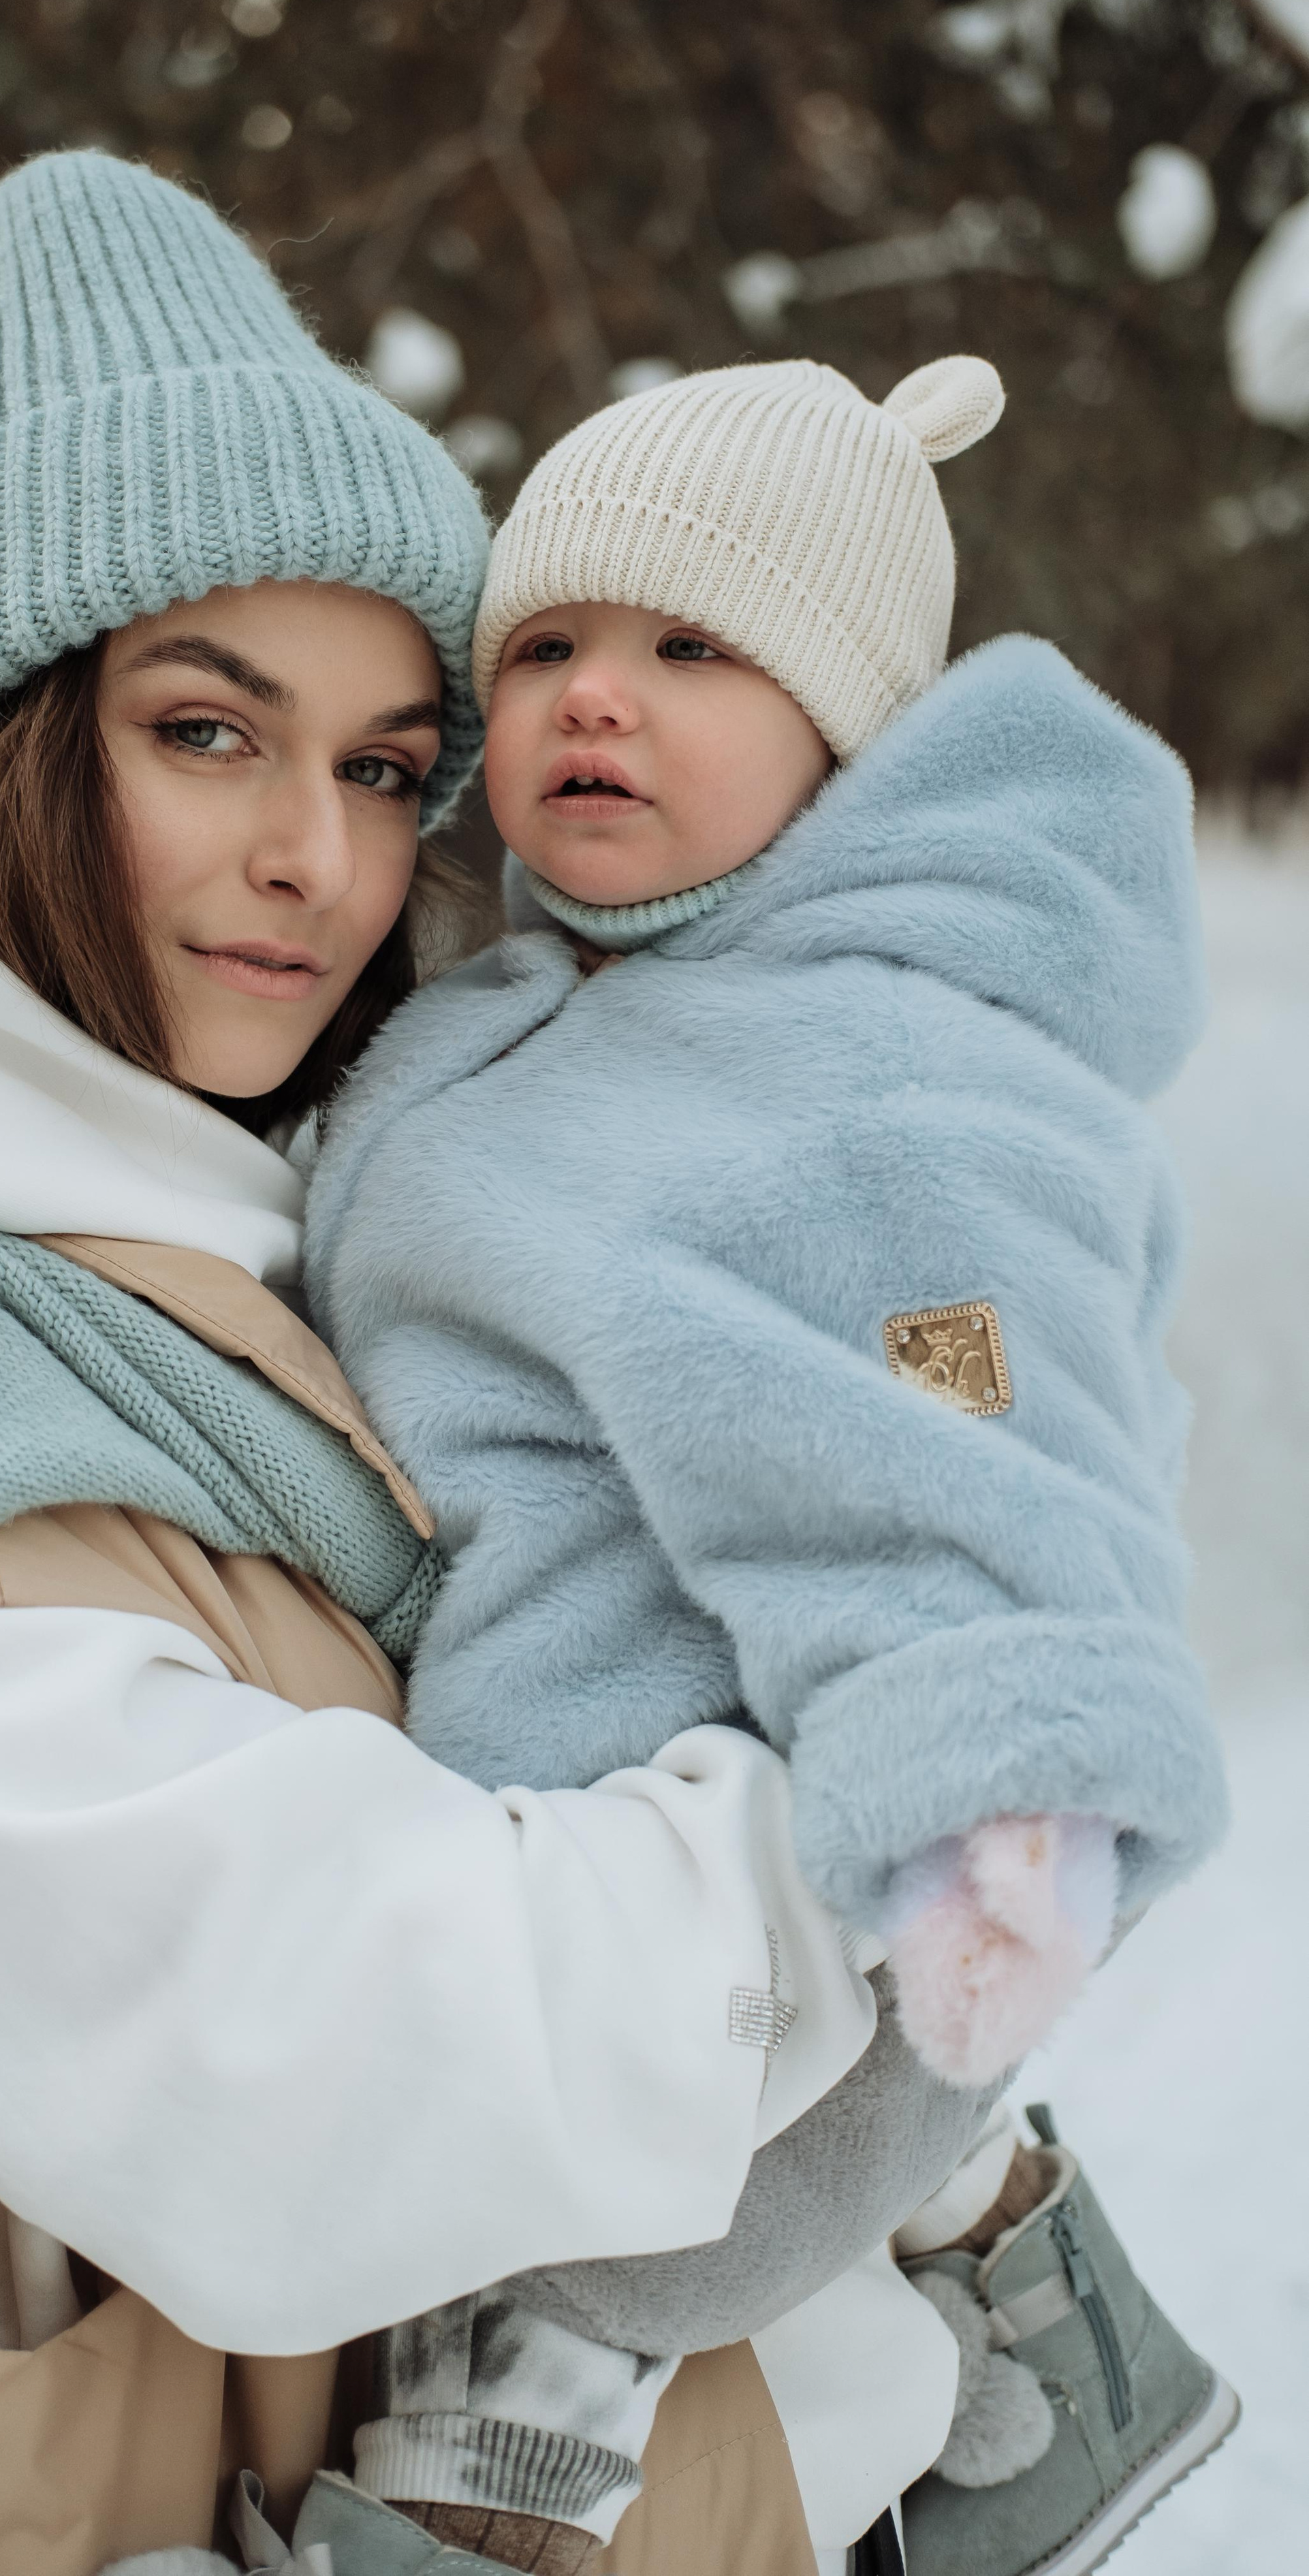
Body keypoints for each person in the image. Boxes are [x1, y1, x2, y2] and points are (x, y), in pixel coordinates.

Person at [0, 153, 945, 2576]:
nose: (325, 854)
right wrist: (922, 1774)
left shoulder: (205, 1261)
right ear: (5, 730)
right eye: (212, 732)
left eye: (393, 766)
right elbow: (338, 2066)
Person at [304, 357, 1240, 2573]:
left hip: (758, 1884)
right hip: (553, 1791)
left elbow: (971, 1434)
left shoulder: (884, 1079)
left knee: (535, 2319)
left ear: (851, 731)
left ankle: (480, 2528)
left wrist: (999, 1803)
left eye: (689, 650)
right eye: (547, 646)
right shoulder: (533, 1000)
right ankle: (1034, 2307)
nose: (595, 701)